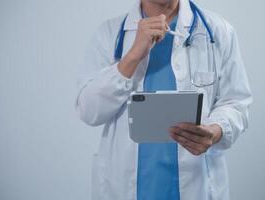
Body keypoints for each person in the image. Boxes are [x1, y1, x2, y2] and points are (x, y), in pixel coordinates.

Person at [75, 0, 253, 199]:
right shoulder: (109, 33)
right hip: (125, 187)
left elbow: (237, 103)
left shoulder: (218, 31)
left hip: (197, 183)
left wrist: (215, 131)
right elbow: (89, 111)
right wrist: (133, 55)